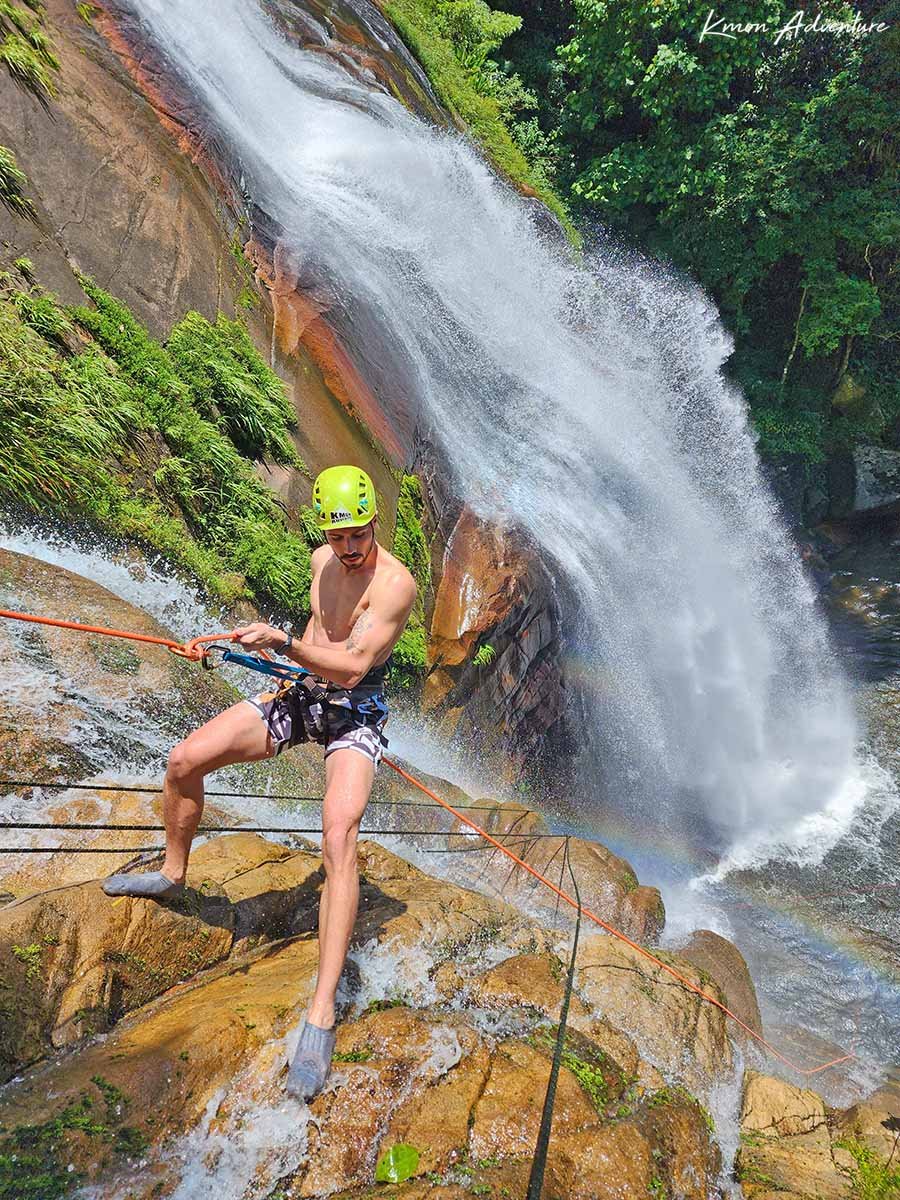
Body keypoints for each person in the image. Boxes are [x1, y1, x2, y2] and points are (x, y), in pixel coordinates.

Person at [102, 465, 417, 1099]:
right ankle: (172, 871)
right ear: (324, 532)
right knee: (185, 760)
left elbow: (355, 665)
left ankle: (321, 1012)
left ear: (373, 523)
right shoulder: (321, 561)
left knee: (338, 832)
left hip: (353, 712)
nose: (348, 546)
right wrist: (272, 659)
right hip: (300, 691)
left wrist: (283, 646)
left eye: (357, 534)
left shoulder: (395, 584)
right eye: (338, 535)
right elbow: (317, 631)